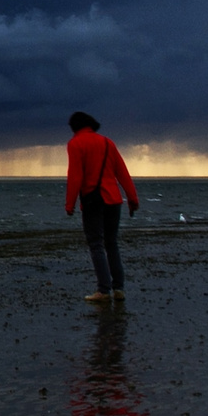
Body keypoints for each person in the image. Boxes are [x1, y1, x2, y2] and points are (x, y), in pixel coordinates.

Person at [64, 111, 138, 303]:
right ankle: (119, 289)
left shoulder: (75, 144)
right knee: (111, 243)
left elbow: (75, 176)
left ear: (75, 127)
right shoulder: (107, 143)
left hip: (93, 201)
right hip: (114, 200)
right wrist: (132, 199)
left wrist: (69, 203)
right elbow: (122, 172)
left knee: (96, 244)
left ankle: (103, 291)